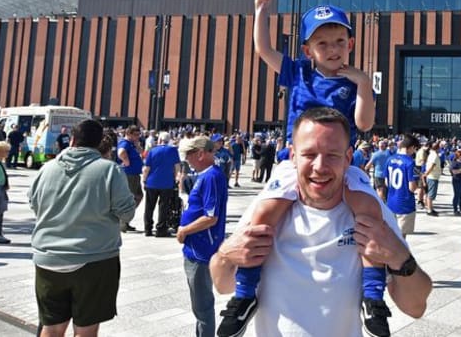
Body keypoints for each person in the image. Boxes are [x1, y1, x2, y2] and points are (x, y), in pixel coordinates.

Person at [216, 0, 389, 337]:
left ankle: (373, 298)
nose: (332, 49)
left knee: (368, 213)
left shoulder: (353, 81)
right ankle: (245, 294)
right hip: (296, 162)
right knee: (264, 215)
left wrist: (364, 86)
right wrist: (262, 9)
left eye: (340, 41)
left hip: (341, 163)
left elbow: (364, 124)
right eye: (322, 43)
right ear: (308, 49)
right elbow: (263, 49)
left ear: (351, 44)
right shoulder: (298, 72)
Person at [210, 107, 432, 337]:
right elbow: (222, 284)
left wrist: (399, 256)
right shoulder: (268, 206)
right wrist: (225, 254)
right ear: (293, 156)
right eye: (309, 154)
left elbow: (415, 307)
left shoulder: (370, 213)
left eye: (332, 155)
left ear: (348, 158)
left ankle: (371, 304)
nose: (320, 166)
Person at [28, 119, 136, 336]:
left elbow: (34, 203)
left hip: (49, 256)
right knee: (85, 329)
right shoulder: (109, 170)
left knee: (52, 327)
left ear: (73, 140)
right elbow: (127, 213)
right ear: (99, 144)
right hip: (94, 258)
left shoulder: (47, 168)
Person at [177, 136, 228, 337]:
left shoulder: (211, 176)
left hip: (201, 248)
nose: (187, 159)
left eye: (188, 155)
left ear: (200, 153)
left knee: (202, 305)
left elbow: (211, 217)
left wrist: (184, 230)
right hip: (196, 246)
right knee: (199, 304)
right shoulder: (206, 175)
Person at [142, 131, 180, 237]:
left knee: (149, 206)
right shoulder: (173, 150)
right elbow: (177, 167)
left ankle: (148, 229)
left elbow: (146, 168)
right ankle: (161, 229)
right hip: (167, 182)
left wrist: (144, 180)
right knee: (164, 206)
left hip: (152, 182)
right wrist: (177, 178)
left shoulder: (152, 151)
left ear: (159, 140)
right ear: (169, 140)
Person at [385, 135, 420, 238]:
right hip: (405, 203)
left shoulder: (390, 159)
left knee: (391, 235)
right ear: (411, 147)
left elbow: (387, 182)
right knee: (401, 238)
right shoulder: (410, 162)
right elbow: (411, 188)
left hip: (391, 201)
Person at [117, 125, 143, 232]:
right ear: (129, 134)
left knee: (138, 196)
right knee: (130, 198)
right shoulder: (125, 143)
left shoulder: (132, 144)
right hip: (129, 174)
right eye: (135, 135)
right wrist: (126, 162)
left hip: (135, 174)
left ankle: (125, 220)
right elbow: (121, 152)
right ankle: (122, 222)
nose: (138, 136)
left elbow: (141, 152)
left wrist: (137, 145)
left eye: (138, 134)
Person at [423, 141, 443, 216]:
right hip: (432, 177)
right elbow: (432, 166)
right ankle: (429, 210)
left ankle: (430, 208)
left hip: (432, 176)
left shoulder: (432, 154)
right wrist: (426, 174)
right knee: (431, 195)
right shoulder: (434, 155)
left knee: (430, 194)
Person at [450, 148, 461, 215]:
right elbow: (454, 172)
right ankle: (455, 210)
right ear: (459, 156)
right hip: (457, 181)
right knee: (457, 195)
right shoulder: (455, 163)